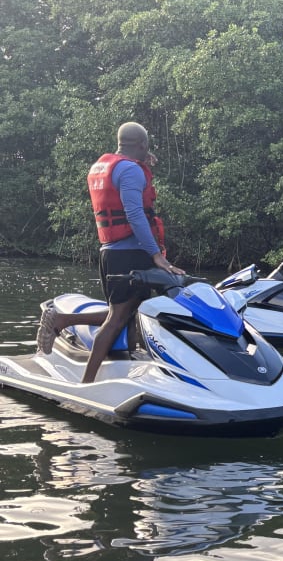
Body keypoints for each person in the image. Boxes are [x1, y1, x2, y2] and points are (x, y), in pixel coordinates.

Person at [35, 122, 183, 383]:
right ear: (142, 144)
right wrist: (156, 255)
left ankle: (66, 322)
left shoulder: (107, 166)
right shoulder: (131, 170)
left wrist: (142, 159)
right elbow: (135, 215)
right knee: (117, 319)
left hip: (111, 253)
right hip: (131, 254)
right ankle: (87, 384)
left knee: (131, 313)